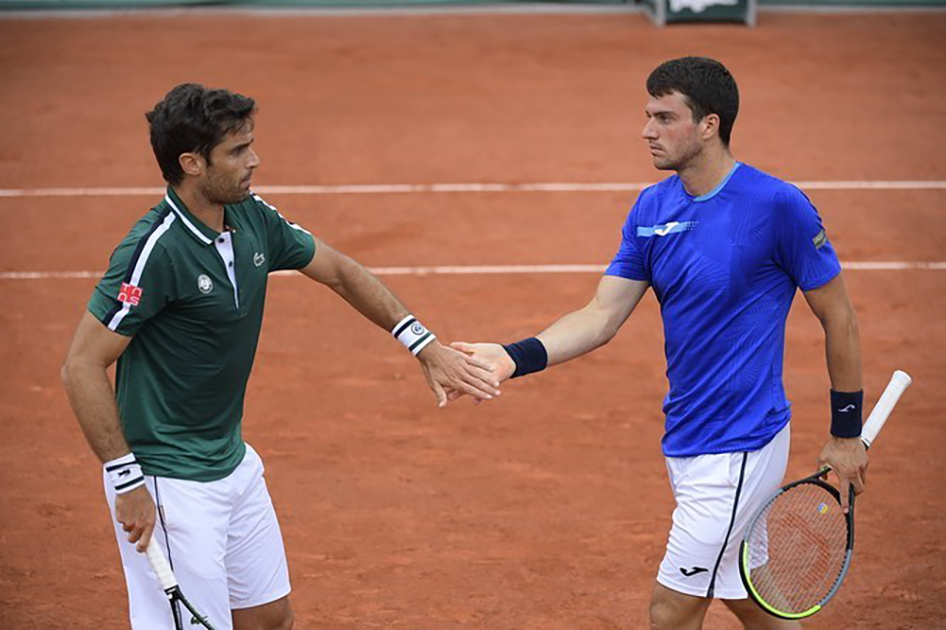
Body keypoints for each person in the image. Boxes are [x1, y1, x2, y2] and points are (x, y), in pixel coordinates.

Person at [60, 83, 500, 630]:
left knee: (270, 618)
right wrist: (127, 484)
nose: (255, 161)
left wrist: (423, 345)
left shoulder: (251, 217)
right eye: (238, 152)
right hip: (167, 480)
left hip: (231, 461)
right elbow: (81, 364)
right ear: (192, 163)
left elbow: (338, 270)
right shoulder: (156, 251)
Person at [450, 57, 868, 629]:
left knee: (670, 611)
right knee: (749, 594)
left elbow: (838, 317)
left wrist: (847, 431)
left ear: (709, 125)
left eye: (664, 117)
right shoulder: (652, 208)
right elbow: (601, 315)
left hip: (740, 444)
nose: (647, 130)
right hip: (688, 438)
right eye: (647, 115)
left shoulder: (777, 206)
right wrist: (511, 356)